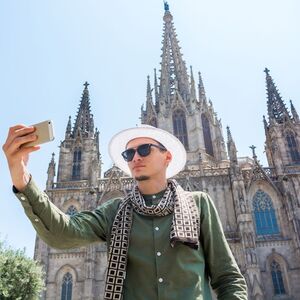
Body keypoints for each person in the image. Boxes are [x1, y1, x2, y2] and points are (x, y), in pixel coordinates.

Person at [3, 124, 248, 300]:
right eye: (129, 153)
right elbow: (62, 233)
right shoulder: (115, 211)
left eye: (144, 150)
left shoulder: (199, 204)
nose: (135, 158)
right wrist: (23, 179)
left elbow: (228, 279)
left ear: (167, 157)